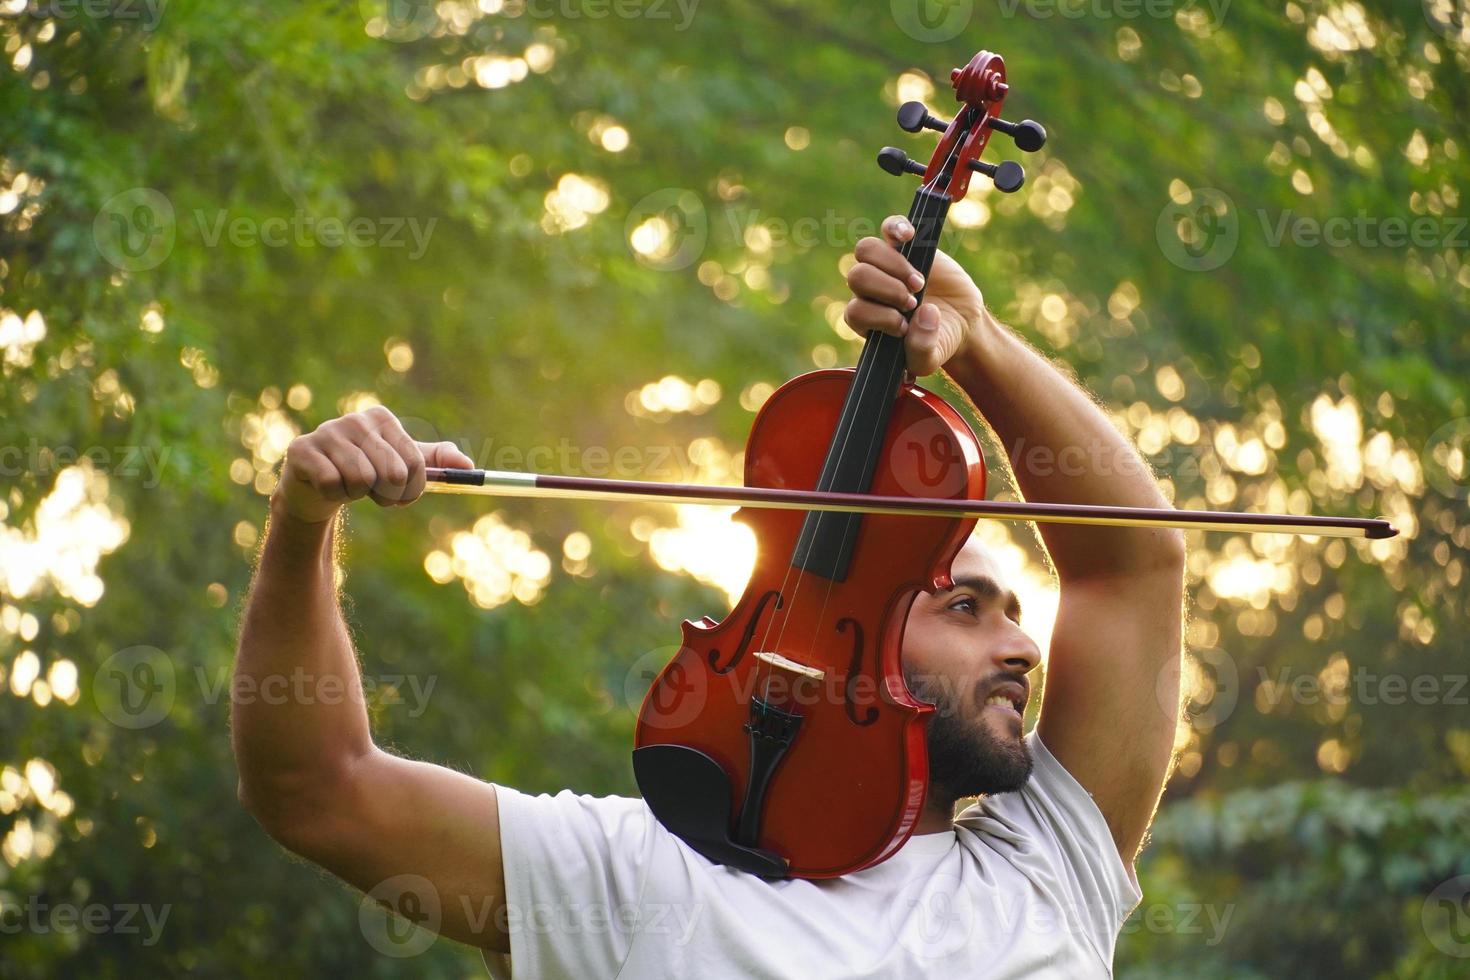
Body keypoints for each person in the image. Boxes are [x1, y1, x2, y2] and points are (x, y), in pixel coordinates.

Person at [232, 214, 1186, 978]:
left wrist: (978, 342)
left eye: (1013, 613)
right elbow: (321, 790)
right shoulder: (632, 874)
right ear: (837, 635)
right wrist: (304, 523)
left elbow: (1130, 567)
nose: (1023, 647)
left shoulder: (1046, 864)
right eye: (966, 608)